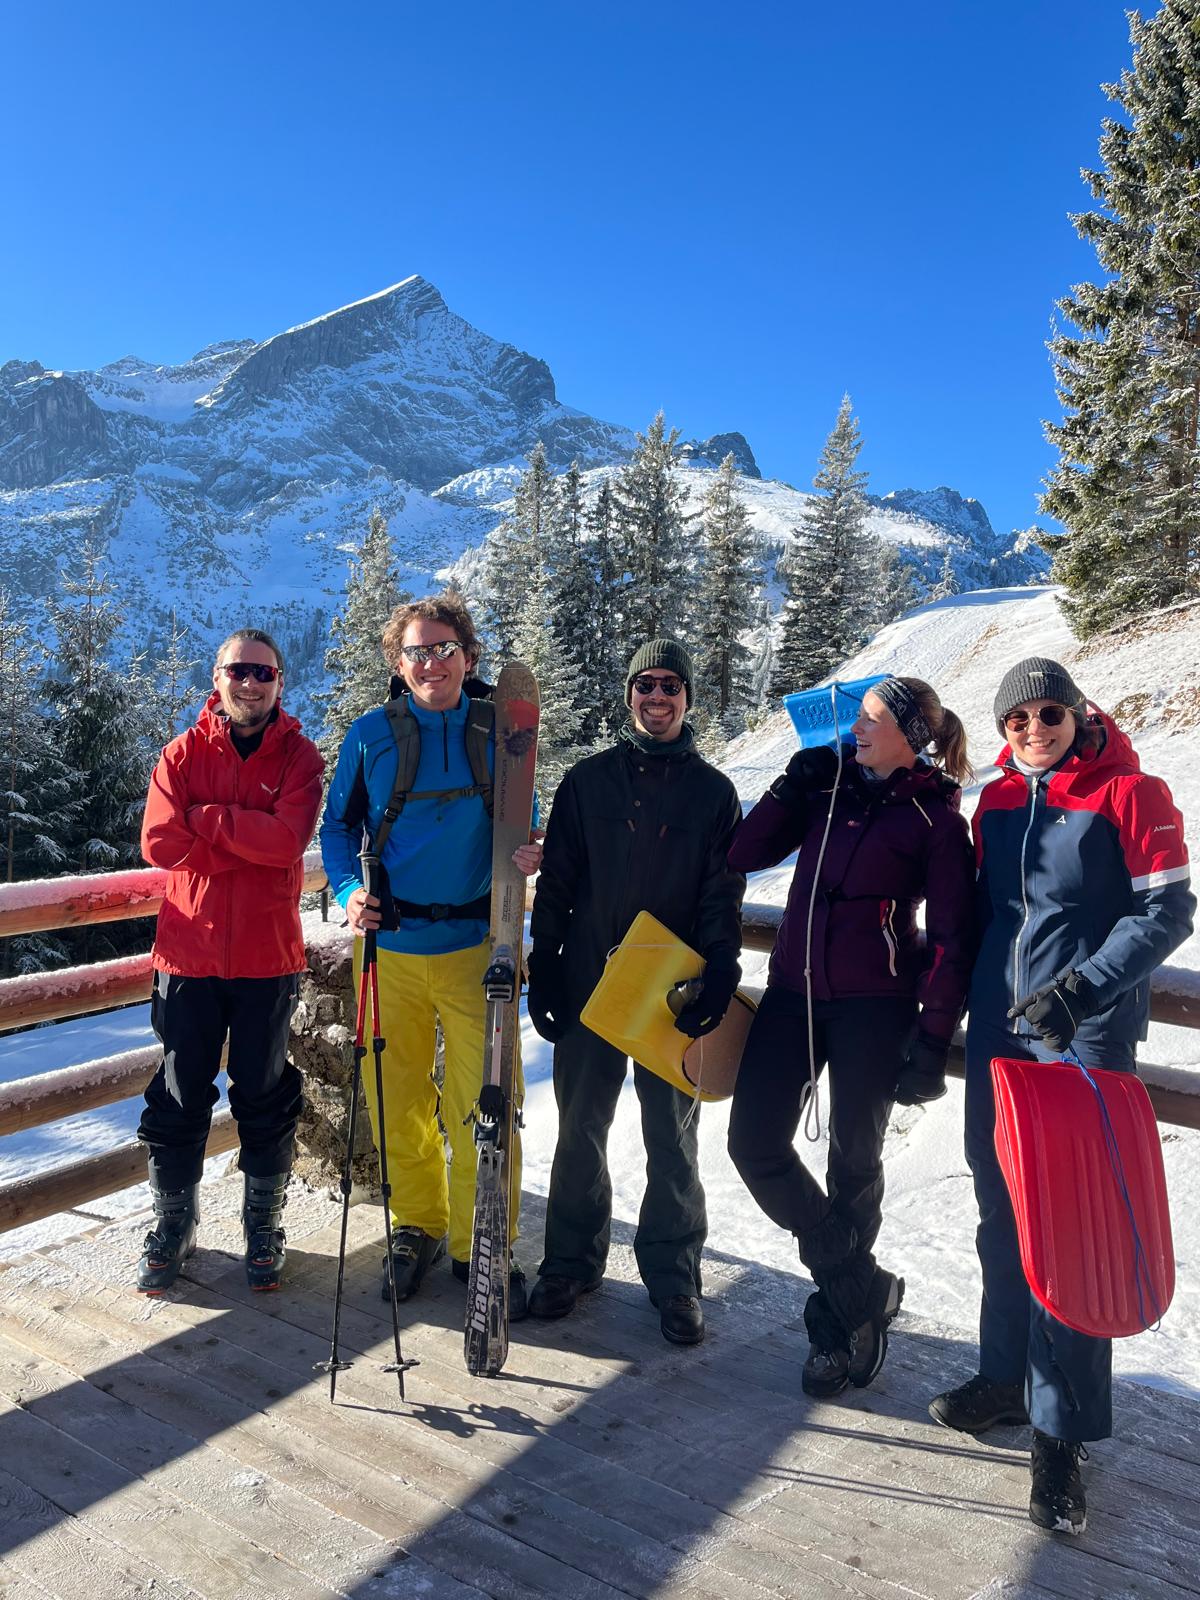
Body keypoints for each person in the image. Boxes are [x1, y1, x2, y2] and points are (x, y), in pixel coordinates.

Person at [929, 657, 1193, 1536]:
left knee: (1070, 1232)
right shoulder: (996, 802)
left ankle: (1063, 1434)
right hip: (1002, 1034)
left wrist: (1084, 989)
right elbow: (981, 914)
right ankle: (1005, 1377)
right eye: (1016, 719)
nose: (1034, 728)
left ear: (1078, 713)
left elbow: (1167, 911)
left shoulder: (1133, 793)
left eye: (1049, 712)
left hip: (1083, 1036)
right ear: (1002, 731)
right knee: (1000, 1211)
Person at [726, 677, 976, 1397]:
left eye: (870, 720)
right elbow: (745, 852)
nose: (855, 729)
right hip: (793, 995)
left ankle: (839, 1330)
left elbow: (954, 941)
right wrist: (788, 783)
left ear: (909, 736)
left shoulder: (935, 823)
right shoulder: (826, 788)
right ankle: (860, 1287)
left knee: (854, 1162)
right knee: (753, 1143)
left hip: (876, 1006)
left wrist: (932, 1041)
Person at [320, 593, 542, 1315]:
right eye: (417, 650)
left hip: (482, 948)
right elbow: (336, 825)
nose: (431, 662)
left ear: (469, 658)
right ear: (398, 661)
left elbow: (521, 821)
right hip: (389, 953)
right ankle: (416, 1225)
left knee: (490, 1105)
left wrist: (531, 854)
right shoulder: (368, 735)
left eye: (444, 649)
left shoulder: (497, 729)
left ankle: (485, 1239)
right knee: (397, 1098)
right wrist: (351, 889)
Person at [525, 639, 745, 1346]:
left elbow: (722, 895)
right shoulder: (587, 782)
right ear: (628, 695)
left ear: (688, 698)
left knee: (672, 1138)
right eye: (646, 685)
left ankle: (675, 1279)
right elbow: (556, 880)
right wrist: (546, 961)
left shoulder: (714, 794)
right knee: (579, 1128)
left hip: (669, 992)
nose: (658, 697)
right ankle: (569, 1263)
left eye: (671, 686)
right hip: (590, 977)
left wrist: (720, 972)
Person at [137, 628, 324, 1294]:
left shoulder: (300, 758)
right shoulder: (180, 753)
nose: (250, 683)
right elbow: (159, 842)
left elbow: (286, 843)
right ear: (216, 678)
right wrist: (247, 830)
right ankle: (172, 1228)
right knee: (180, 1093)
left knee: (263, 1092)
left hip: (264, 961)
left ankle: (262, 1228)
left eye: (263, 674)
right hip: (187, 958)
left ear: (280, 683)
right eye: (238, 671)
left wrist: (208, 820)